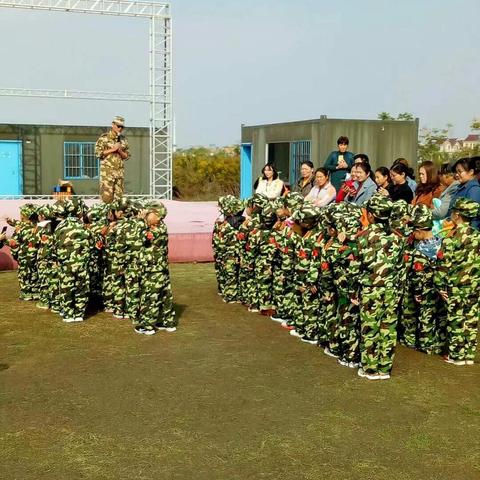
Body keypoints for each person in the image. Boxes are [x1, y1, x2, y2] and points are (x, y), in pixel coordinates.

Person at [435, 198, 480, 365]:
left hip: (456, 285)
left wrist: (440, 286)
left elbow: (443, 264)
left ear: (457, 215)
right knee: (471, 319)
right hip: (475, 284)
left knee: (456, 319)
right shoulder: (477, 235)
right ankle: (468, 354)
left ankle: (456, 355)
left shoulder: (450, 237)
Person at [95, 115, 130, 204]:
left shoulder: (123, 140)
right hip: (107, 174)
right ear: (113, 125)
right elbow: (98, 153)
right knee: (107, 199)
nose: (120, 129)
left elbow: (127, 156)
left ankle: (115, 217)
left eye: (122, 127)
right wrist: (113, 149)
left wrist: (120, 151)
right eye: (118, 126)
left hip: (119, 174)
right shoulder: (104, 138)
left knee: (119, 201)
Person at [448, 157, 480, 230]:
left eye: (460, 171)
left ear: (471, 172)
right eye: (456, 172)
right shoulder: (460, 187)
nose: (456, 174)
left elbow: (474, 219)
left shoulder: (474, 190)